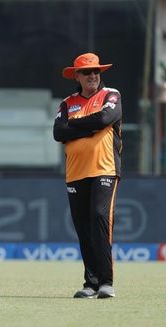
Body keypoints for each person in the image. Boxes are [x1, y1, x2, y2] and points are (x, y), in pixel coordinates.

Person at [53, 52, 122, 299]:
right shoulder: (67, 102)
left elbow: (106, 118)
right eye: (87, 72)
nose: (93, 75)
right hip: (75, 173)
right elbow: (59, 132)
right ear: (77, 76)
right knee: (83, 228)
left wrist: (76, 126)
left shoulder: (111, 95)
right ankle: (90, 284)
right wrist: (91, 128)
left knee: (99, 217)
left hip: (105, 169)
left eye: (96, 71)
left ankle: (106, 282)